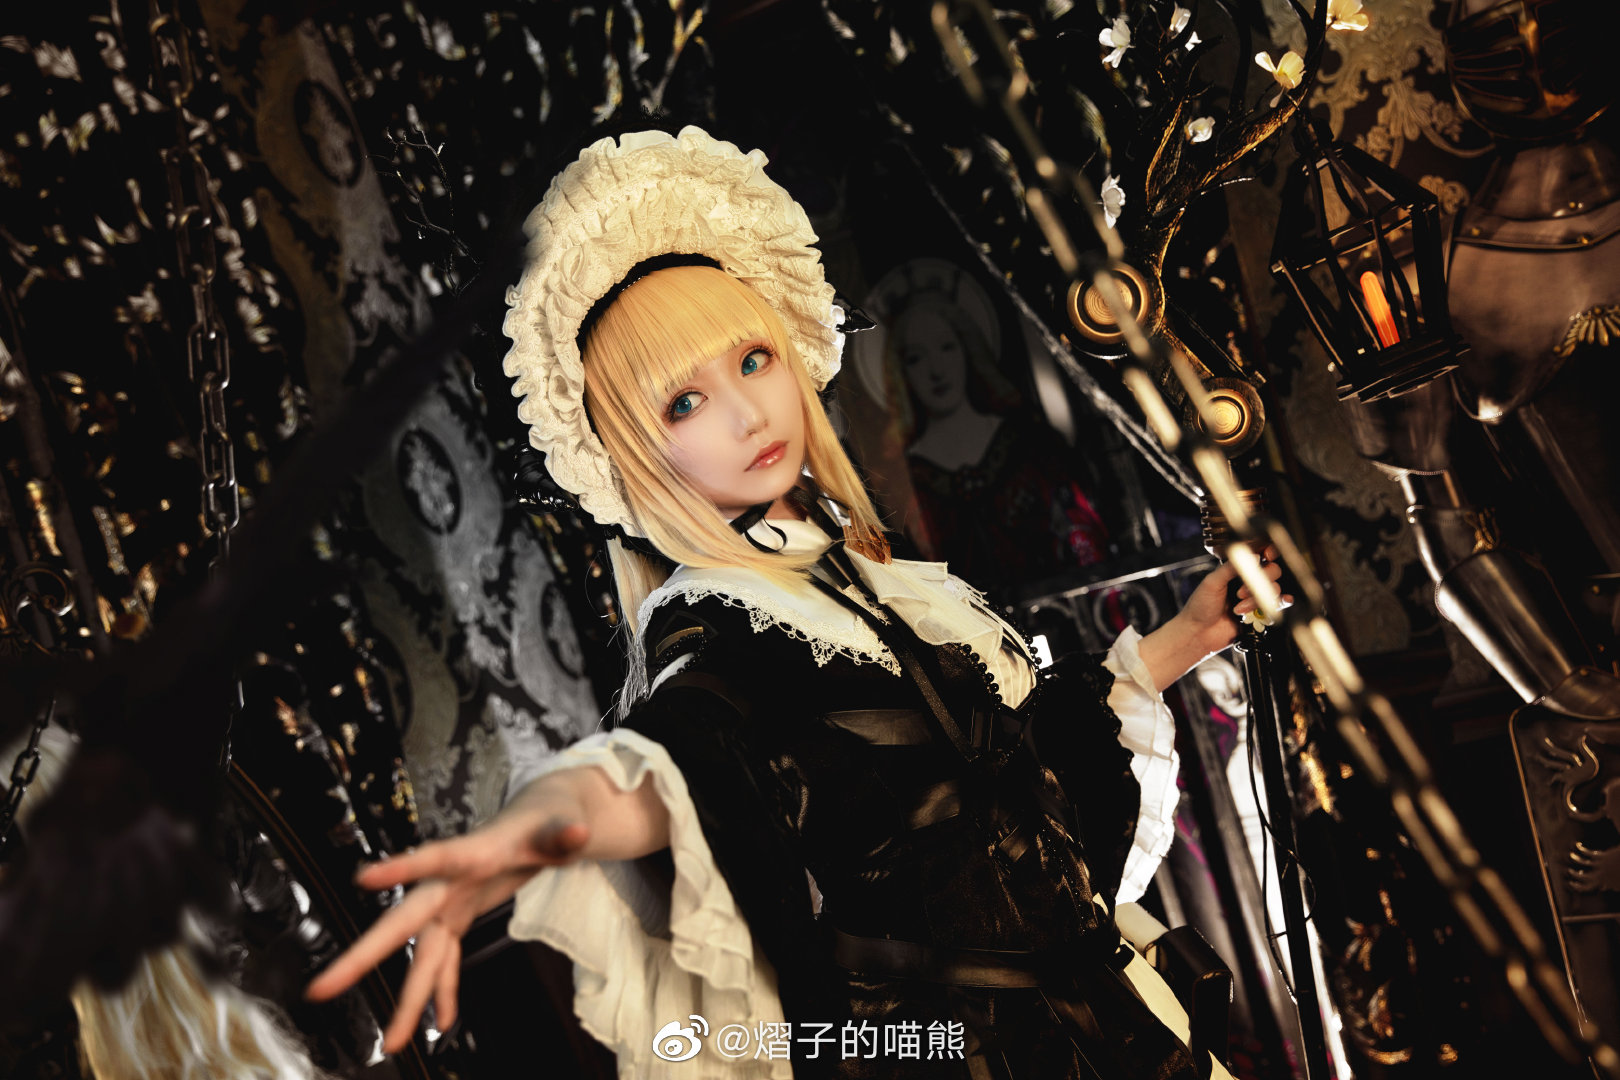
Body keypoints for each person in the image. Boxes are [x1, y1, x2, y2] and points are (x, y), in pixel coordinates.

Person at [306, 127, 1280, 1079]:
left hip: (1123, 1025)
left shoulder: (858, 578)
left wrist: (1187, 636)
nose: (745, 412)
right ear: (635, 451)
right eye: (683, 402)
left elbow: (1026, 780)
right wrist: (526, 836)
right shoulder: (716, 635)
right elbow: (662, 769)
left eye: (751, 359)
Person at [884, 291, 1111, 589]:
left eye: (946, 347)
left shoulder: (1030, 441)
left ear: (967, 349)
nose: (936, 370)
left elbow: (1084, 535)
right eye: (916, 358)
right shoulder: (903, 480)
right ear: (900, 372)